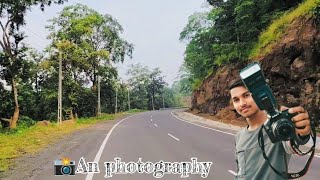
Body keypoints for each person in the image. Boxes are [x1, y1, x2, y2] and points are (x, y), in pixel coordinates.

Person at [229, 79, 311, 180]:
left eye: (246, 95)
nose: (242, 103)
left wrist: (302, 132)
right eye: (236, 100)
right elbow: (241, 172)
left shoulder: (278, 127)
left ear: (258, 95)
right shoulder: (239, 136)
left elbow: (295, 141)